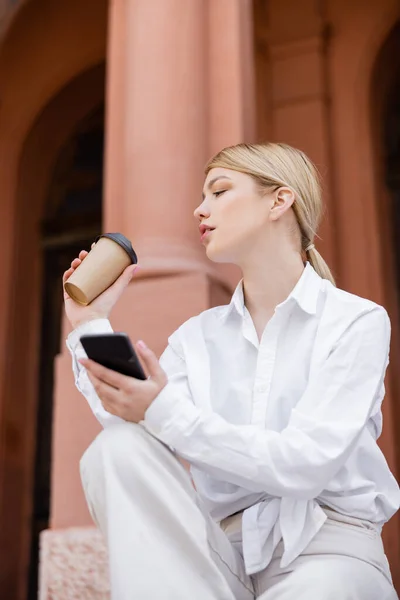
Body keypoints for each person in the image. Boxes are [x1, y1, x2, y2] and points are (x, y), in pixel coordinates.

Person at [63, 142, 400, 600]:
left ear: (279, 201)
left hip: (329, 555)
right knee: (118, 446)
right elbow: (138, 425)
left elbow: (307, 465)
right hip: (219, 559)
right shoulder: (195, 338)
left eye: (219, 191)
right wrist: (89, 324)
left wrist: (164, 410)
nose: (200, 210)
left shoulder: (355, 321)